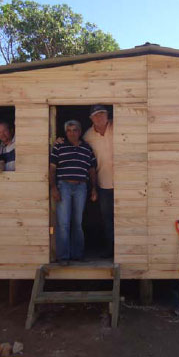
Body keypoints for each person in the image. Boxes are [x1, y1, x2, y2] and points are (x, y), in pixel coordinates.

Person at [50, 120, 98, 265]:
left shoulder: (87, 148)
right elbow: (52, 169)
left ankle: (77, 255)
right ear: (66, 132)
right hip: (63, 186)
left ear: (80, 131)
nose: (72, 133)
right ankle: (63, 257)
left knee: (78, 222)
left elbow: (92, 170)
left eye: (75, 130)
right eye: (69, 130)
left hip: (81, 187)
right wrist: (53, 188)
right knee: (63, 223)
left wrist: (94, 188)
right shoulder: (59, 146)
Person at [83, 105, 114, 258]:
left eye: (102, 113)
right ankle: (111, 250)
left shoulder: (118, 126)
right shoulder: (87, 136)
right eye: (96, 115)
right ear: (91, 118)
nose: (99, 117)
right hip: (104, 182)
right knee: (107, 218)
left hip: (126, 182)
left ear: (108, 115)